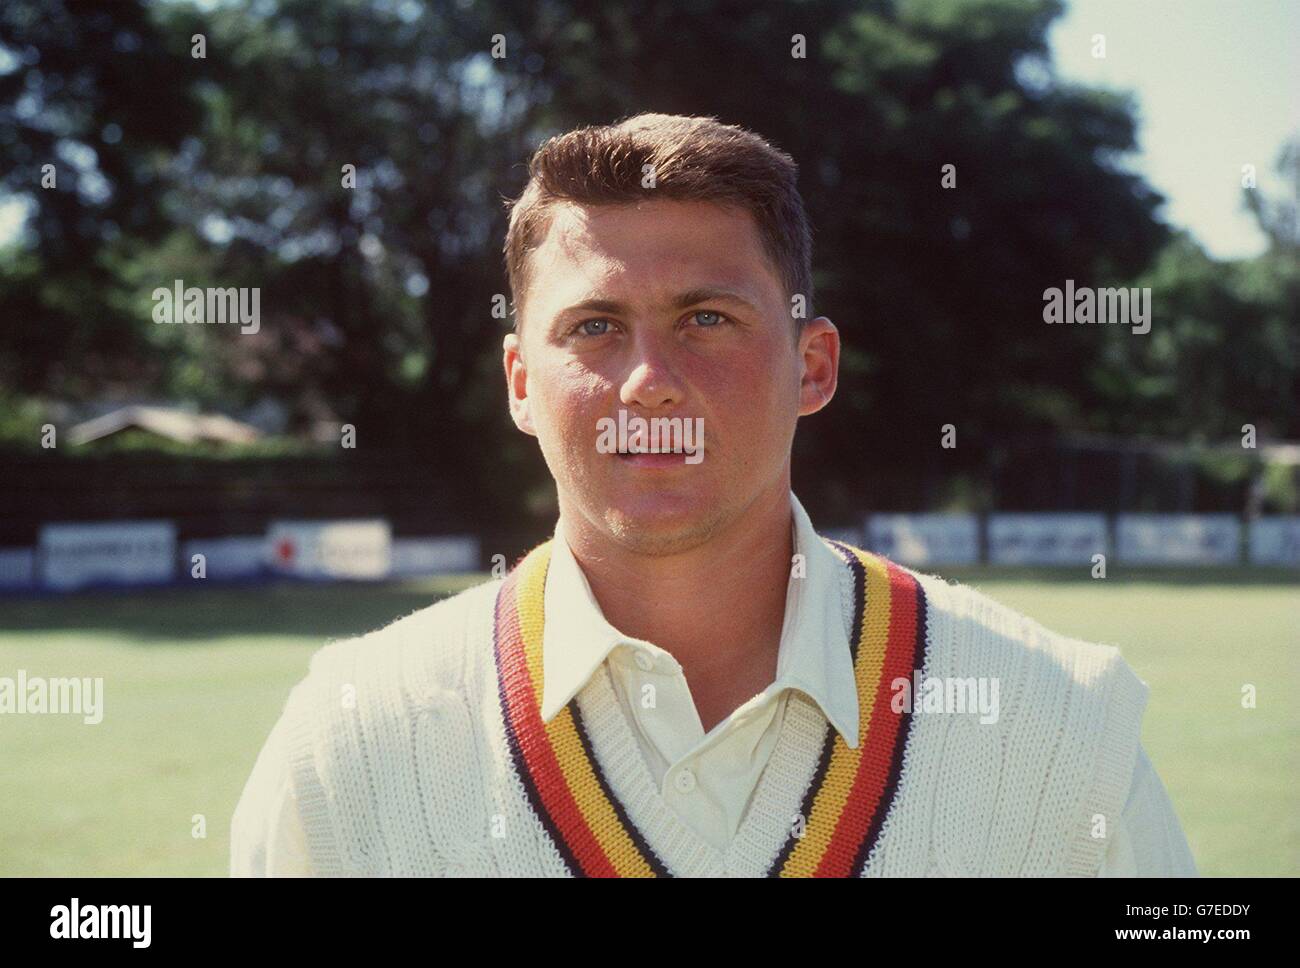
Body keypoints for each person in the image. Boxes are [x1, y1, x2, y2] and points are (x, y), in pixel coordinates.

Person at [230, 113, 1197, 877]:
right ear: (521, 383)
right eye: (596, 326)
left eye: (707, 317)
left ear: (812, 366)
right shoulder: (350, 742)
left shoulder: (1059, 726)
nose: (649, 378)